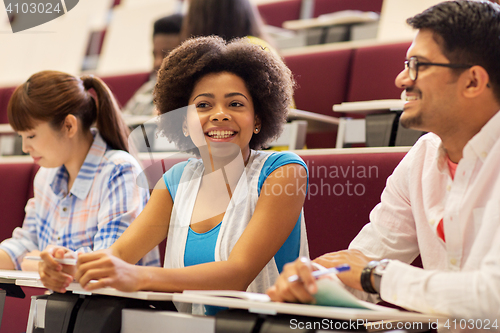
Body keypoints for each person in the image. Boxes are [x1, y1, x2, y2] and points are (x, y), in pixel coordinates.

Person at [39, 36, 309, 313]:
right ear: (183, 122)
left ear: (258, 120)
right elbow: (118, 255)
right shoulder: (175, 181)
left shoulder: (284, 171)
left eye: (236, 104)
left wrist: (139, 277)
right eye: (203, 105)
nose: (219, 115)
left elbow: (237, 275)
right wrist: (69, 265)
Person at [268, 0, 500, 321]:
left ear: (473, 81)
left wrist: (376, 274)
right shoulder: (421, 158)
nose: (401, 80)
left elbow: (493, 296)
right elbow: (366, 260)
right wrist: (313, 286)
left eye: (417, 65)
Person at [0, 70, 159, 276]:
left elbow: (107, 262)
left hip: (115, 305)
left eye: (31, 135)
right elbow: (27, 243)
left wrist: (38, 262)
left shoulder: (120, 170)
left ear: (69, 125)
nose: (24, 147)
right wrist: (37, 261)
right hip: (62, 305)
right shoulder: (45, 176)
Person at [122, 14, 183, 116]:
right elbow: (119, 124)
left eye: (166, 55)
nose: (157, 63)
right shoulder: (147, 89)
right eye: (155, 55)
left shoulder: (190, 98)